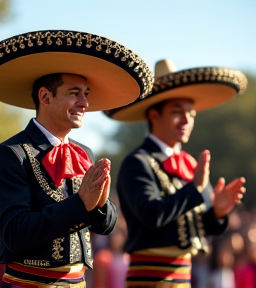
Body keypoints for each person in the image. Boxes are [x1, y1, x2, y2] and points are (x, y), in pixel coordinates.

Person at [0, 29, 153, 287]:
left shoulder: (84, 153)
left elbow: (107, 225)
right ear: (45, 97)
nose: (84, 103)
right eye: (74, 93)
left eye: (86, 94)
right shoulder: (11, 153)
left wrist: (100, 205)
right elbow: (15, 233)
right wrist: (82, 204)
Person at [104, 59, 248, 288]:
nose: (186, 120)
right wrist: (194, 189)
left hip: (184, 278)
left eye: (191, 113)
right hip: (148, 280)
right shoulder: (137, 162)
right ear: (154, 115)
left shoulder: (190, 165)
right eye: (177, 112)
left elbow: (203, 225)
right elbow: (152, 215)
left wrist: (219, 212)